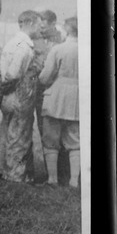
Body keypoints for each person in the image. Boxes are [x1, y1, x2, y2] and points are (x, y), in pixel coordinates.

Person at [0, 10, 43, 183]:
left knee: (7, 132)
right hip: (20, 96)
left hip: (7, 95)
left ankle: (2, 169)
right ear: (30, 23)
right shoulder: (25, 47)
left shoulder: (11, 42)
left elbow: (0, 72)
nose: (40, 28)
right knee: (20, 136)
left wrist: (1, 92)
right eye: (38, 24)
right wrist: (9, 89)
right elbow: (13, 75)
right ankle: (15, 176)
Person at [39, 16, 80, 187]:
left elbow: (45, 77)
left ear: (68, 29)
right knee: (74, 139)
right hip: (78, 97)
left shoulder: (59, 49)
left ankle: (52, 179)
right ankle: (74, 181)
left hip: (57, 95)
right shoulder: (87, 49)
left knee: (51, 138)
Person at [25, 9, 65, 180]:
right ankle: (51, 174)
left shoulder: (60, 40)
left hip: (51, 89)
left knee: (56, 132)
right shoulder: (36, 39)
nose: (41, 27)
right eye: (39, 23)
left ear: (52, 23)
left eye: (44, 24)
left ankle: (61, 173)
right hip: (38, 90)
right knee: (42, 130)